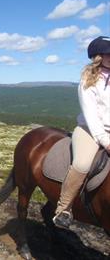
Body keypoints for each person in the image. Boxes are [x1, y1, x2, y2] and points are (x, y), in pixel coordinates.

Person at [53, 36, 110, 229]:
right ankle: (63, 208)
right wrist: (105, 140)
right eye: (108, 54)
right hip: (90, 131)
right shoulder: (88, 80)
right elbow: (91, 115)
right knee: (82, 163)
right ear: (97, 57)